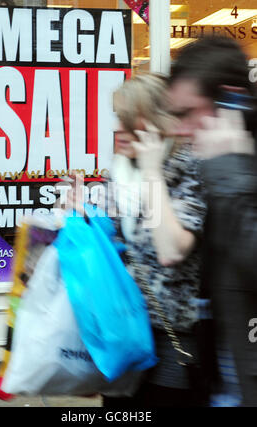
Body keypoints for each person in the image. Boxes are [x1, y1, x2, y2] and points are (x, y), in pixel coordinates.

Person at [91, 73, 207, 407]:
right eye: (117, 119)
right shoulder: (121, 173)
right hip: (122, 333)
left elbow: (171, 250)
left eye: (127, 120)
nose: (117, 129)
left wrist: (153, 172)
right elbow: (115, 249)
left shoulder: (187, 169)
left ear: (156, 121)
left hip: (170, 341)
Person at [168, 35, 257, 407]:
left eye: (189, 113)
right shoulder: (215, 165)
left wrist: (230, 174)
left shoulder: (231, 168)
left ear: (229, 100)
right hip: (222, 372)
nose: (180, 129)